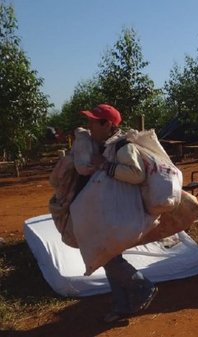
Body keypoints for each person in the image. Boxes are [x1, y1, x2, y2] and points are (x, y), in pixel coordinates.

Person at [79, 104, 157, 323]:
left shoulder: (123, 147)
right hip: (111, 211)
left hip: (122, 212)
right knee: (109, 256)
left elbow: (137, 175)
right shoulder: (107, 146)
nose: (90, 126)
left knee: (108, 257)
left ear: (108, 125)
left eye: (94, 122)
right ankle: (122, 306)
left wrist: (105, 165)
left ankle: (142, 287)